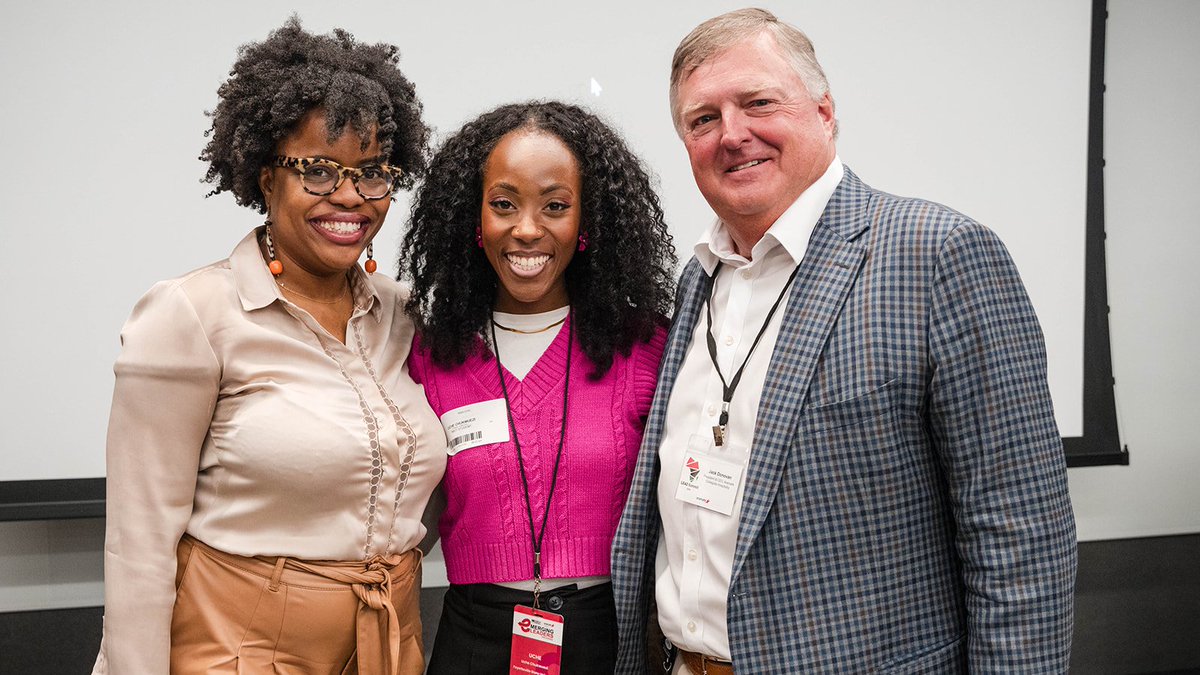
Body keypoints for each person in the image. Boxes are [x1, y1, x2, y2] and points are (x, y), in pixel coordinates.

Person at [611, 8, 1078, 674]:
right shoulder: (697, 280)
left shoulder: (936, 254)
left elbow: (1020, 536)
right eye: (702, 119)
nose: (732, 134)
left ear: (825, 112)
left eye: (758, 103)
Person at [93, 19, 445, 675]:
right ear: (264, 176)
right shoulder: (192, 315)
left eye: (373, 173)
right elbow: (139, 545)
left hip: (387, 647)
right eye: (317, 169)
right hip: (236, 652)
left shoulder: (404, 315)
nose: (349, 195)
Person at [401, 101, 676, 673]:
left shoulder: (646, 348)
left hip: (613, 637)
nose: (527, 230)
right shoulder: (431, 355)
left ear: (587, 224)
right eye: (504, 205)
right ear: (472, 221)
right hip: (471, 639)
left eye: (555, 206)